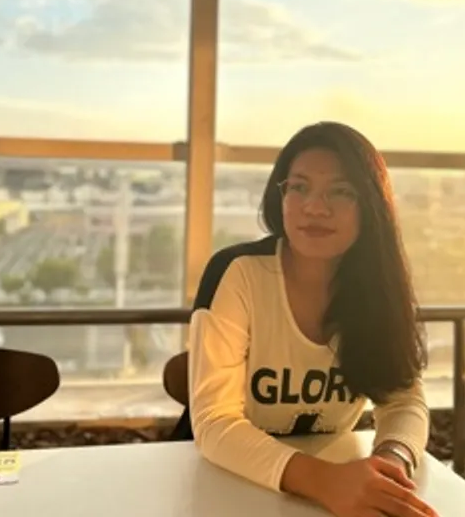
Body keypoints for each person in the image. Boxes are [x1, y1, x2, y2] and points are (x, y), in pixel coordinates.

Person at [172, 122, 437, 517]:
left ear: (371, 205)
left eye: (341, 192)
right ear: (279, 195)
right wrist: (325, 482)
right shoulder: (239, 273)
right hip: (219, 487)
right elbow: (214, 422)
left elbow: (404, 399)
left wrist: (390, 464)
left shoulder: (377, 288)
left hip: (324, 497)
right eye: (298, 187)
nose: (315, 207)